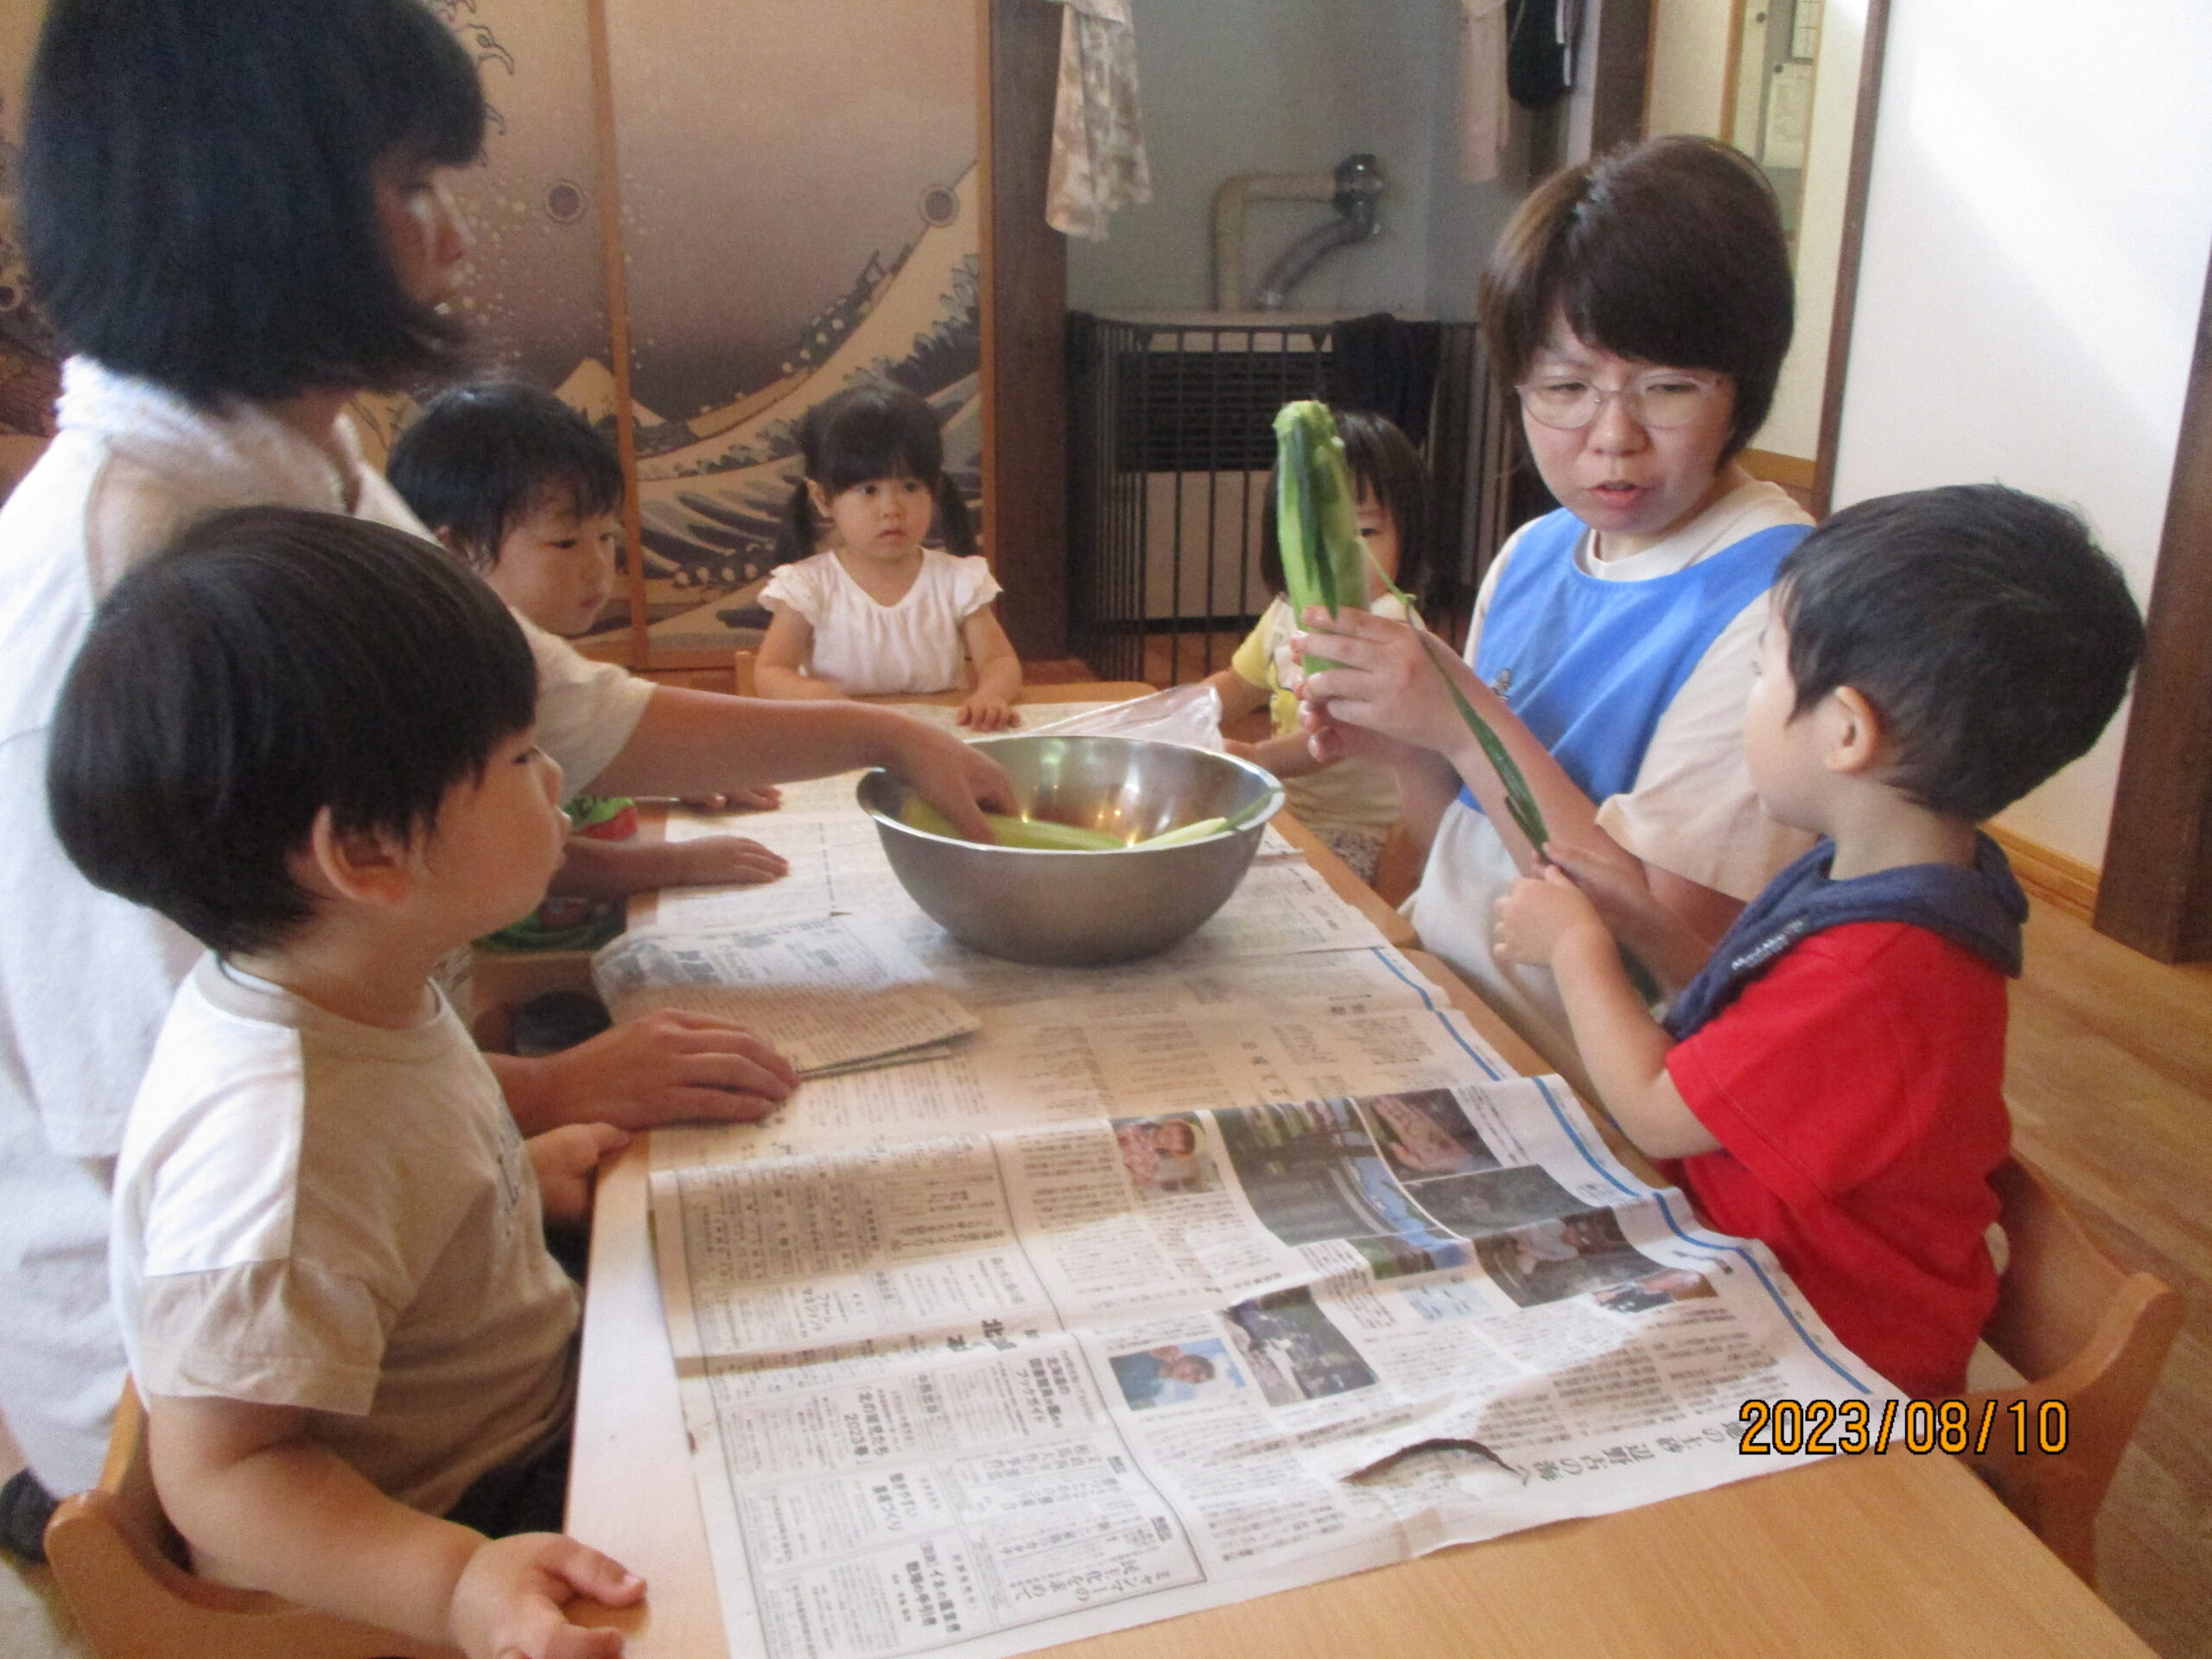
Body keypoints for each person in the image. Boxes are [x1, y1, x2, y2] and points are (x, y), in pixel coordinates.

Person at [0, 0, 1007, 1547]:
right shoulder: (108, 590)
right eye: (411, 190)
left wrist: (886, 732)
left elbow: (581, 711)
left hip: (412, 1251)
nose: (452, 248)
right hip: (264, 1419)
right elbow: (182, 1116)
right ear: (251, 208)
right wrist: (541, 1091)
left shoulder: (302, 466)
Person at [51, 509, 654, 1659]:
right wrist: (455, 1587)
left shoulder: (352, 984)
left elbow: (387, 1209)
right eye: (519, 759)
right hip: (450, 1517)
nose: (556, 779)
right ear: (366, 855)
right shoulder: (273, 1152)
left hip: (511, 1386)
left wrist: (514, 1187)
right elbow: (226, 1472)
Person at [1491, 485, 2145, 1396]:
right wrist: (1639, 922)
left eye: (1763, 670)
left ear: (1842, 730)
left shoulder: (1879, 966)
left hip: (1841, 1375)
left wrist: (1575, 948)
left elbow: (1653, 1105)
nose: (1751, 696)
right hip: (1759, 1267)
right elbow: (1754, 1022)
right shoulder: (1891, 876)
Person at [1298, 137, 1811, 1090]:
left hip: (1600, 1076)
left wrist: (1463, 714)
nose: (1610, 439)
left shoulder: (1780, 601)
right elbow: (1457, 835)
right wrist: (1405, 740)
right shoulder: (1535, 553)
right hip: (1461, 1011)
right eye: (1566, 389)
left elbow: (1671, 938)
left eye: (1666, 387)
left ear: (1744, 385)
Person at [389, 381, 789, 951]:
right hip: (532, 956)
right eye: (565, 544)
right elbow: (525, 851)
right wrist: (669, 865)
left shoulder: (535, 656)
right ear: (454, 552)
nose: (600, 568)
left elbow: (581, 781)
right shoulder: (464, 685)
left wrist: (674, 776)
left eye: (606, 537)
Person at [1198, 410, 1430, 882]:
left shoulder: (1387, 626)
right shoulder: (1286, 610)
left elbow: (1338, 736)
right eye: (1312, 534)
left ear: (1407, 537)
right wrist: (1186, 715)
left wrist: (1261, 760)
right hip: (1286, 810)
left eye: (1364, 532)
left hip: (1358, 832)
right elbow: (1239, 686)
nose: (1335, 553)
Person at [755, 382, 1024, 729]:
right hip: (844, 734)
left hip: (936, 736)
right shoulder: (808, 585)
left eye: (910, 487)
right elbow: (770, 671)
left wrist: (991, 694)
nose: (892, 509)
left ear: (935, 489)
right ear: (822, 499)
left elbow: (999, 660)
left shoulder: (958, 580)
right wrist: (816, 695)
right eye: (869, 490)